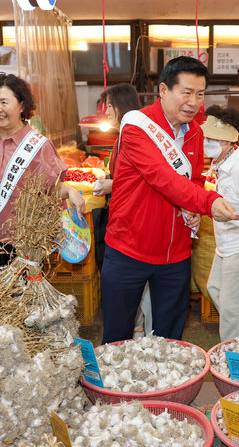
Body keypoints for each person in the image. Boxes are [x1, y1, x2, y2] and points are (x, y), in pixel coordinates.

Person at [101, 56, 238, 344]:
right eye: (186, 92)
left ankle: (167, 390)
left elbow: (194, 182)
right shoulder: (137, 127)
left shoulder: (196, 134)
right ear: (164, 90)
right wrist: (208, 202)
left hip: (175, 253)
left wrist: (195, 208)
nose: (193, 102)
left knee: (171, 339)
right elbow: (162, 177)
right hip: (129, 248)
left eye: (200, 94)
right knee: (117, 338)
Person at [0, 73, 85, 266]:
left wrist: (70, 191)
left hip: (25, 246)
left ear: (22, 105)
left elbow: (51, 188)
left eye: (4, 102)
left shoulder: (39, 147)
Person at [92, 83, 153, 337]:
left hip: (137, 226)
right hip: (124, 223)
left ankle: (147, 335)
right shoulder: (121, 136)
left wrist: (111, 184)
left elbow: (144, 180)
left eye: (108, 106)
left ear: (121, 106)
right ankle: (137, 330)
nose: (105, 112)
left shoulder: (136, 136)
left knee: (144, 292)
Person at [202, 105, 239, 341]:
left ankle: (236, 359)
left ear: (225, 142)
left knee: (231, 310)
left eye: (210, 138)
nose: (205, 142)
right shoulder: (221, 165)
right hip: (224, 246)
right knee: (214, 289)